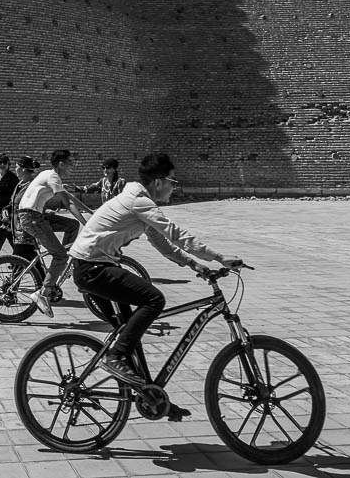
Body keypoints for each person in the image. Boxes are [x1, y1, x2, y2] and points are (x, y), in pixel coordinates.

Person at [69, 153, 244, 418]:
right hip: (93, 268)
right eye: (173, 182)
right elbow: (175, 233)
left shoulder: (139, 201)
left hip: (92, 266)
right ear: (159, 182)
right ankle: (114, 358)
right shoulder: (139, 201)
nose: (175, 188)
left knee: (130, 335)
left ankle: (149, 394)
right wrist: (219, 256)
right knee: (154, 300)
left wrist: (193, 265)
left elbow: (162, 242)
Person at [18, 149, 83, 317]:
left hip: (36, 215)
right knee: (60, 255)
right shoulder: (53, 177)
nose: (72, 167)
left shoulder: (50, 175)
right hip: (32, 217)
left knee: (72, 225)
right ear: (61, 164)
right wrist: (89, 224)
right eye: (70, 164)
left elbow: (64, 198)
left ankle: (62, 261)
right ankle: (43, 293)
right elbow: (68, 203)